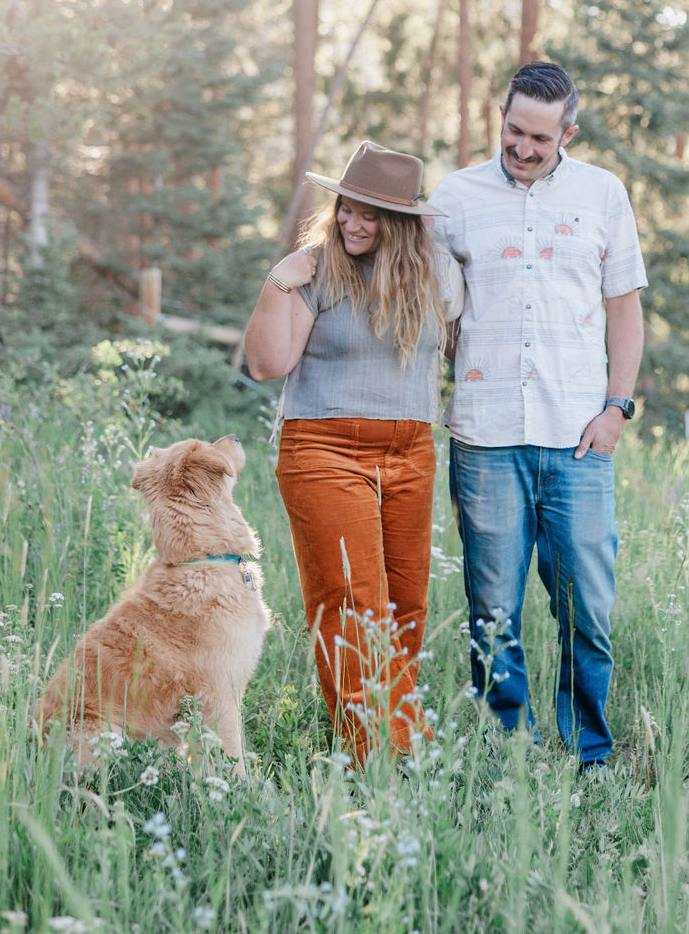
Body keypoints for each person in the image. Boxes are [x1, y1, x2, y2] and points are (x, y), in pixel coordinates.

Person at [428, 62, 647, 770]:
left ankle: (589, 752)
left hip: (579, 438)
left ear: (568, 133)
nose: (524, 147)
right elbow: (428, 301)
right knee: (492, 611)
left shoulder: (603, 194)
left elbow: (625, 310)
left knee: (588, 611)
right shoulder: (455, 197)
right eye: (514, 130)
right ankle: (505, 755)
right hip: (485, 436)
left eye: (541, 138)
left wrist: (616, 407)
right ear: (501, 115)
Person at [244, 140, 462, 767]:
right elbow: (267, 363)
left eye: (368, 214)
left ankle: (394, 741)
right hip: (322, 448)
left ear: (399, 224)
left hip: (412, 449)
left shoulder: (438, 276)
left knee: (405, 607)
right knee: (351, 602)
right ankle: (381, 762)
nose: (351, 222)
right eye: (346, 208)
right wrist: (276, 282)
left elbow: (465, 347)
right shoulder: (315, 268)